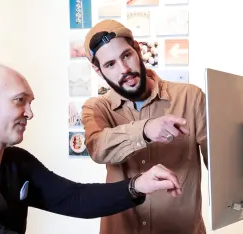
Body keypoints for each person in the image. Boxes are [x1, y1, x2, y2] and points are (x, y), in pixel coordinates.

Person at [0, 63, 182, 234]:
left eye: (30, 103)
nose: (29, 113)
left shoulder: (18, 162)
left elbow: (74, 198)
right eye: (20, 101)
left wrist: (138, 185)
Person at [81, 19, 207, 234]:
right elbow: (98, 147)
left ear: (137, 49)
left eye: (126, 55)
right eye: (110, 64)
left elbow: (222, 164)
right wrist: (145, 129)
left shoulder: (190, 97)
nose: (124, 69)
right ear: (98, 70)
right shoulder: (97, 108)